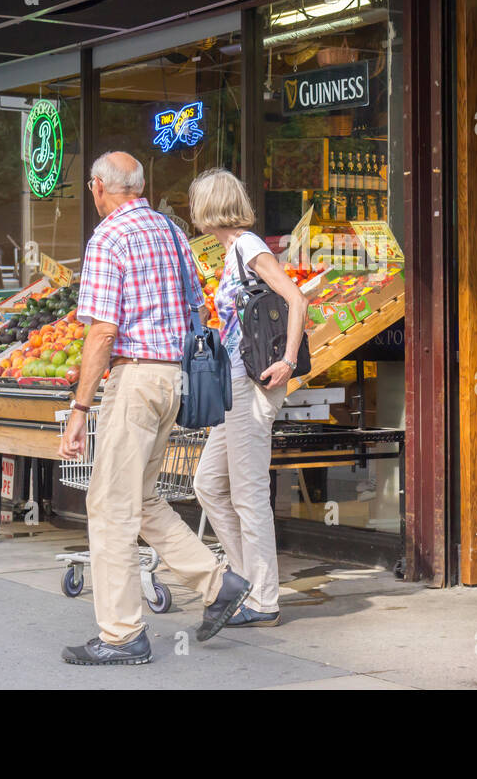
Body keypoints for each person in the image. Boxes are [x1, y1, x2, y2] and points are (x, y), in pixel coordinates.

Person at [59, 152, 252, 666]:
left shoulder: (108, 237)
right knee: (142, 499)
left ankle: (122, 636)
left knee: (108, 508)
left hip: (137, 378)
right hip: (176, 379)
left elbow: (101, 330)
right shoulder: (171, 231)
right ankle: (218, 584)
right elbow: (198, 301)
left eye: (90, 186)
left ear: (99, 186)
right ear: (139, 186)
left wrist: (80, 406)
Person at [188, 168, 308, 628]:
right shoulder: (232, 252)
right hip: (236, 386)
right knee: (208, 484)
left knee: (249, 494)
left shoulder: (247, 246)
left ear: (207, 208)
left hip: (254, 386)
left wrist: (289, 359)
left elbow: (296, 299)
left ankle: (263, 600)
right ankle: (245, 581)